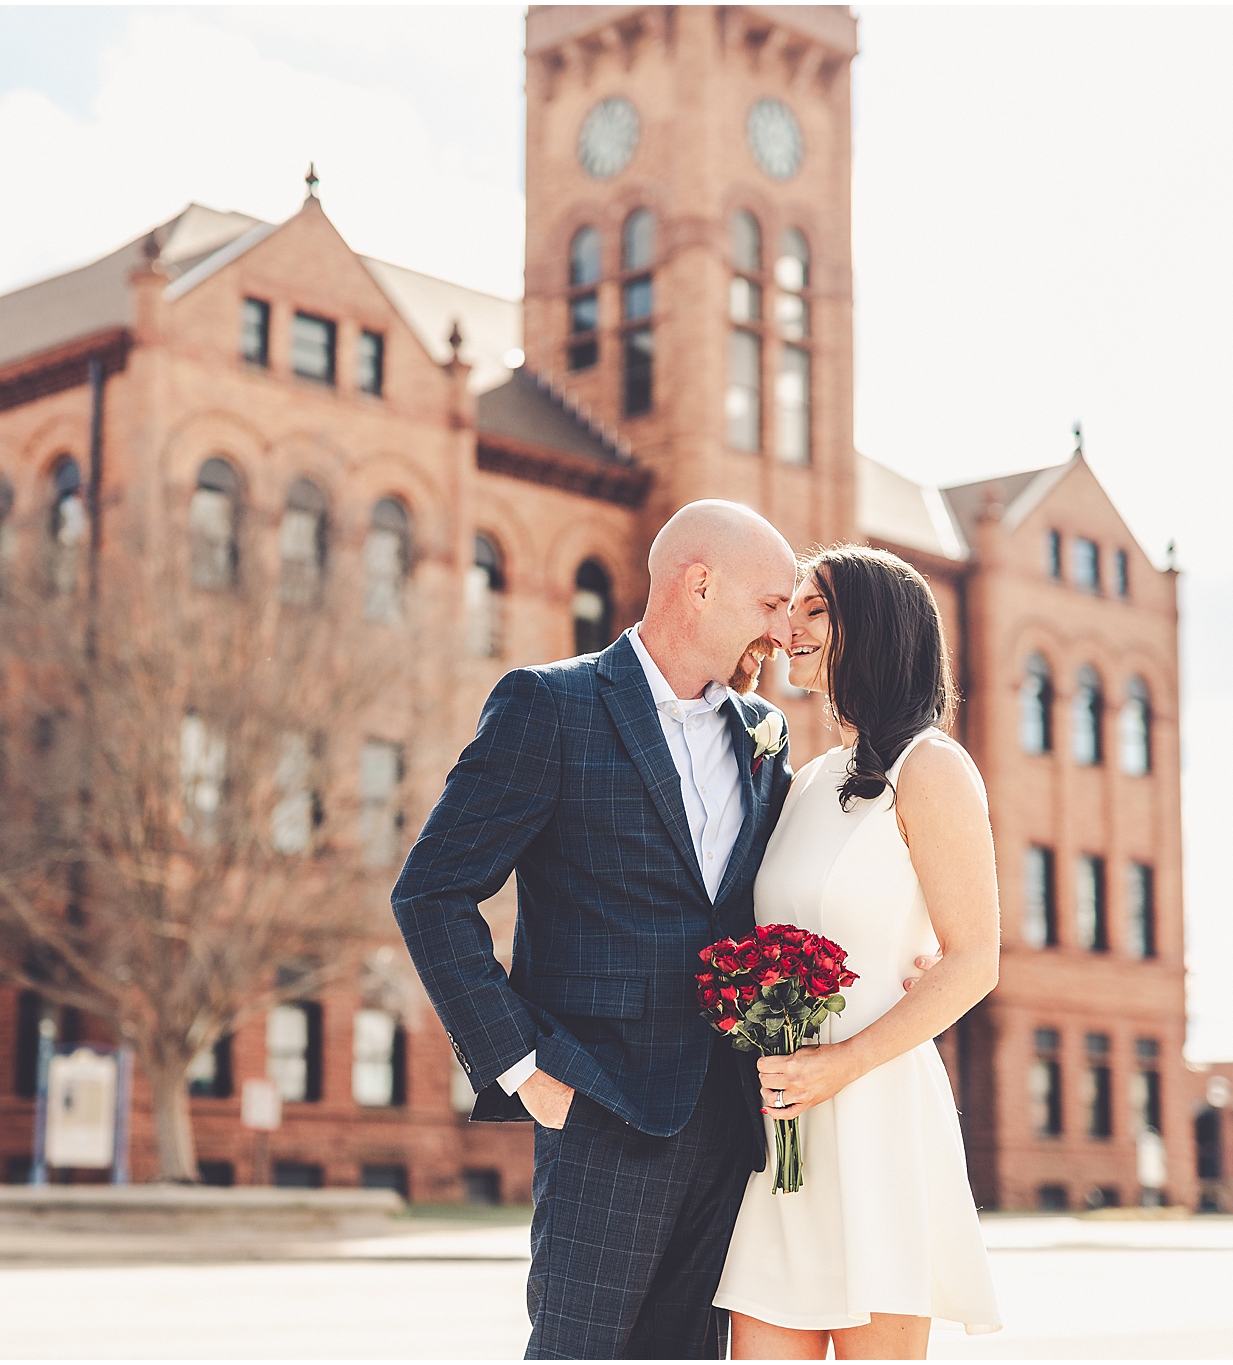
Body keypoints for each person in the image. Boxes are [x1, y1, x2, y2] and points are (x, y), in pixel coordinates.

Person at [392, 501, 799, 1359]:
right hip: (601, 1108)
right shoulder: (551, 706)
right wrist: (522, 1067)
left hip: (728, 1123)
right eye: (769, 604)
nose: (781, 630)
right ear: (699, 585)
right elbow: (431, 891)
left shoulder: (764, 732)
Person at [713, 543, 1003, 1359]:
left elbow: (974, 957)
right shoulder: (805, 781)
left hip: (875, 1109)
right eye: (788, 607)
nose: (790, 626)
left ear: (870, 629)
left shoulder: (933, 766)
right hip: (782, 1126)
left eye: (814, 609)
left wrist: (843, 1062)